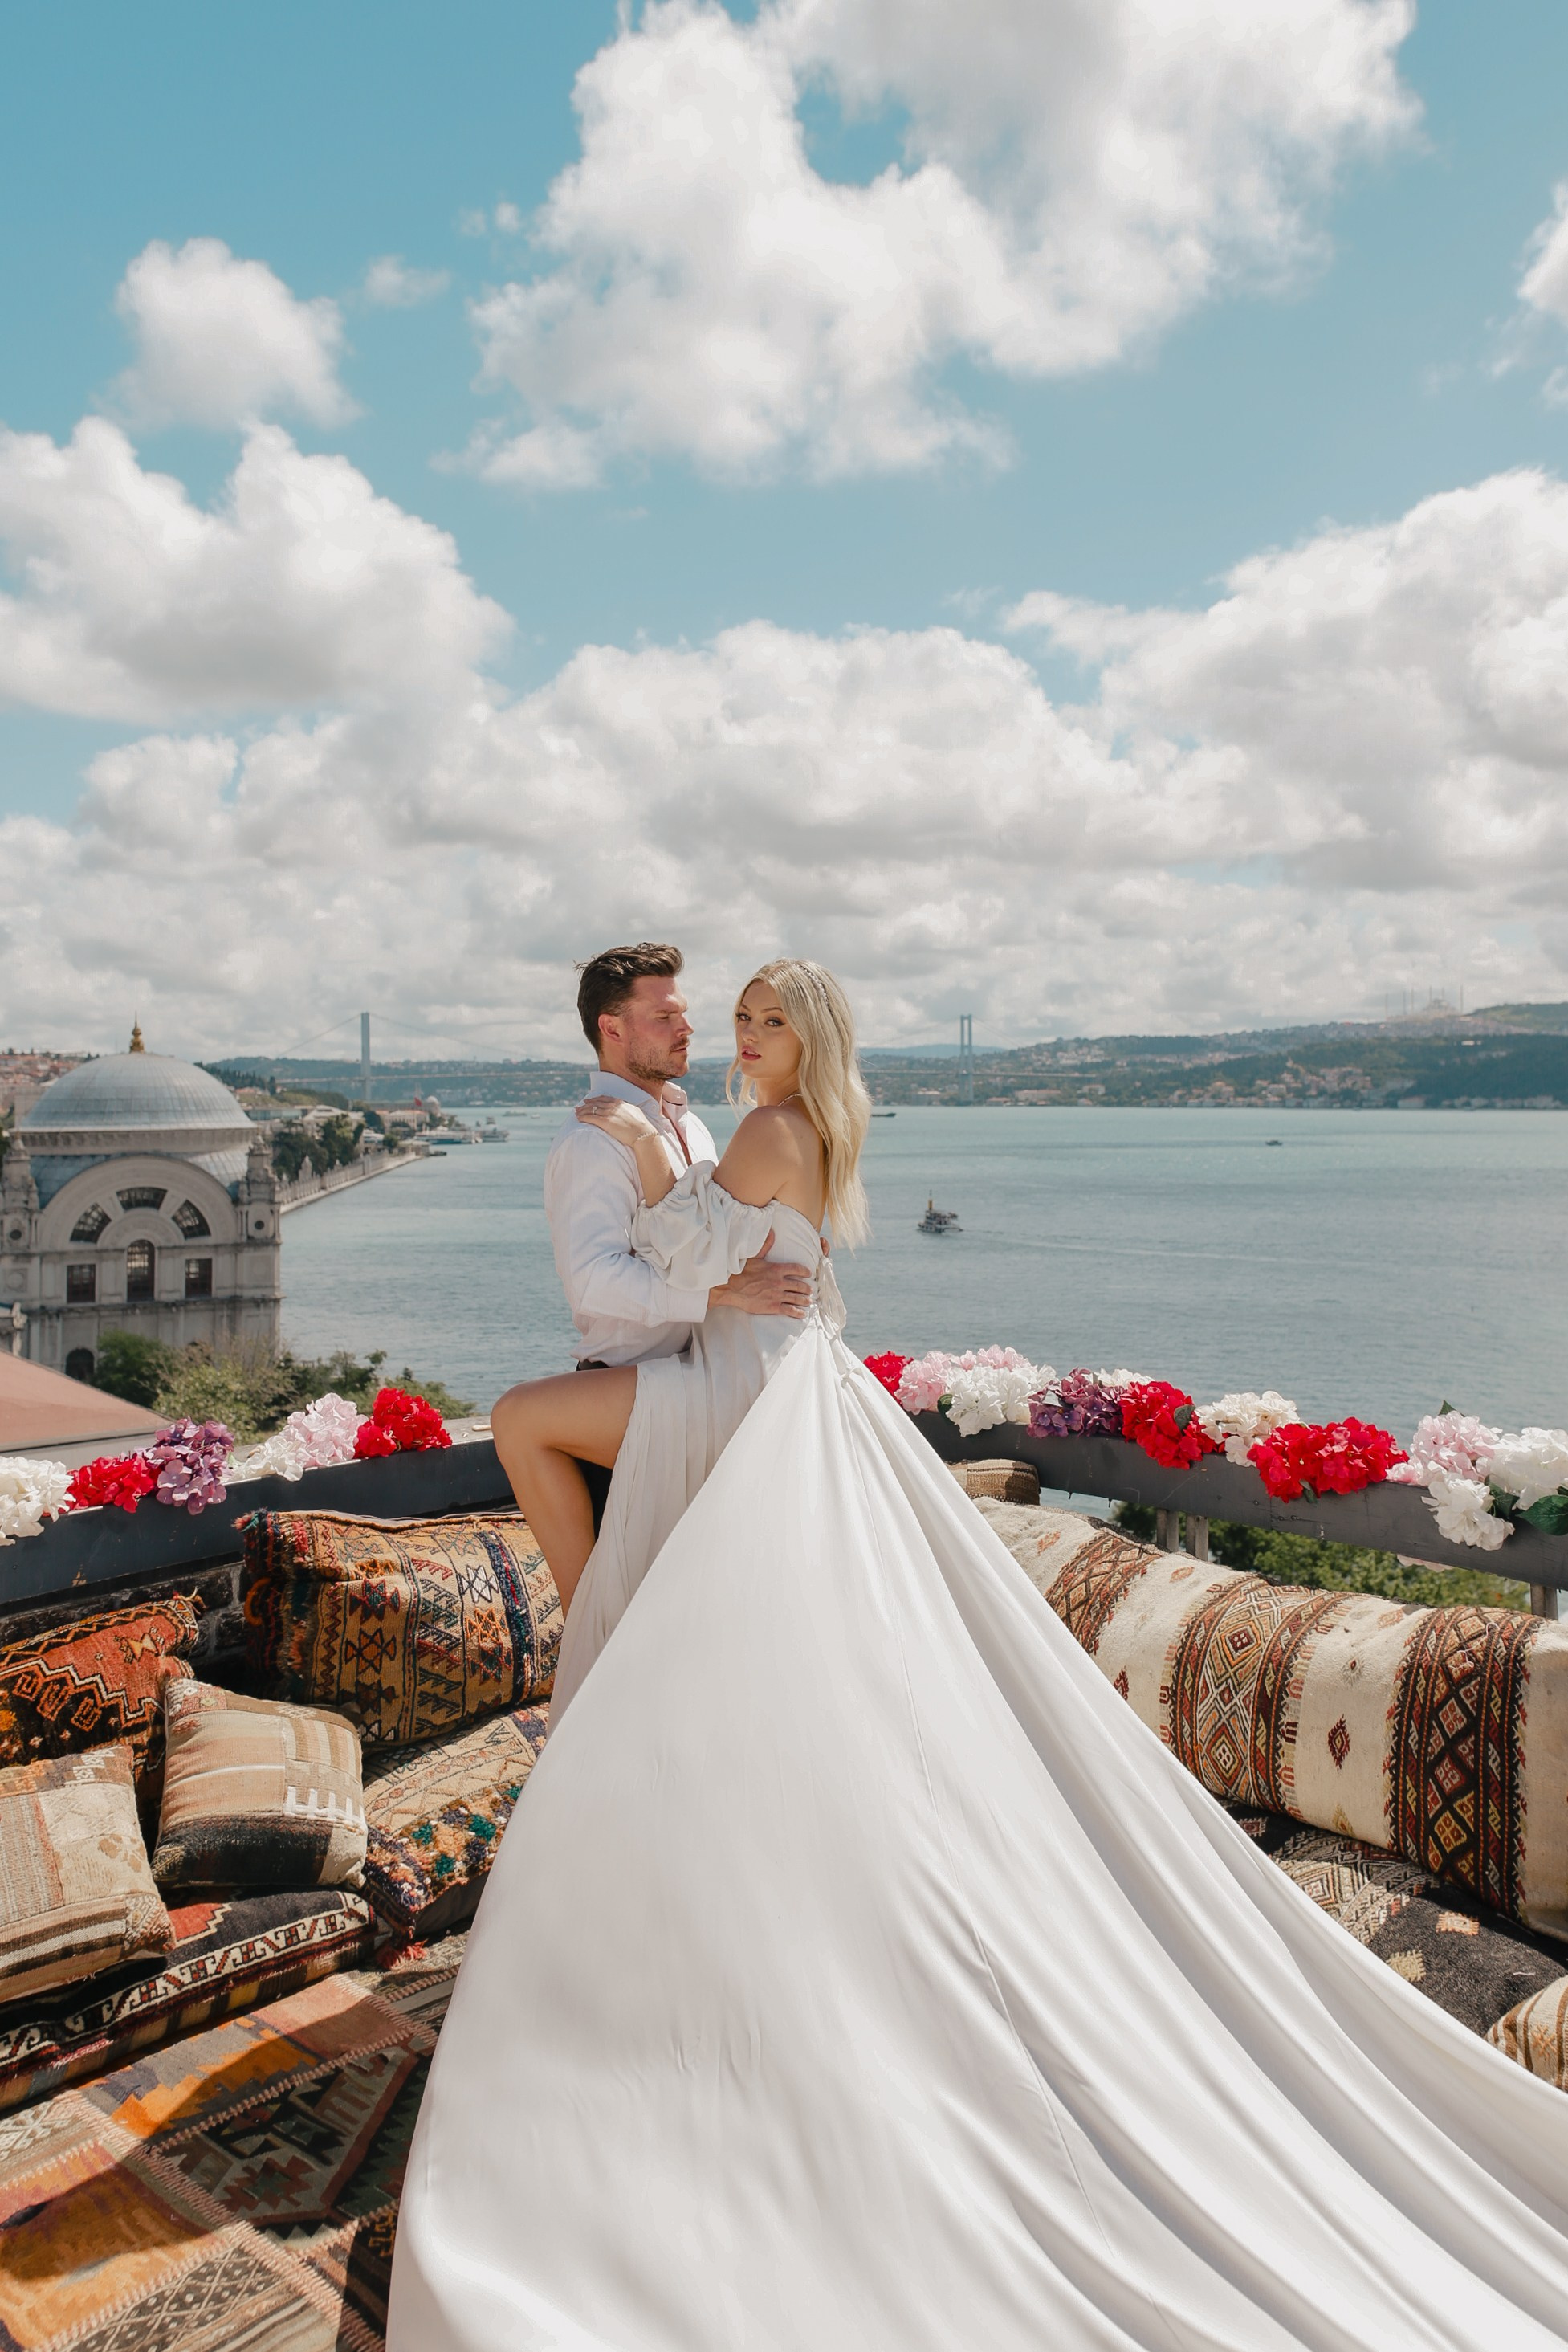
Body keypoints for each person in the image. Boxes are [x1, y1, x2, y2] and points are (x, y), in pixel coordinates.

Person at [389, 960, 1568, 2352]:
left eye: (759, 1019)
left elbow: (665, 1267)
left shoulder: (757, 1130)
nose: (728, 1033)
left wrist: (708, 1241)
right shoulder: (784, 1127)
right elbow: (736, 1269)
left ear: (801, 1038)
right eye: (723, 1014)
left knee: (722, 1663)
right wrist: (732, 1250)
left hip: (754, 1401)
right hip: (785, 1385)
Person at [542, 940, 814, 1570]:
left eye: (683, 1012)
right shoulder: (592, 1141)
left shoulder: (691, 1129)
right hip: (628, 1396)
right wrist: (719, 1294)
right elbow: (594, 1284)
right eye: (664, 1016)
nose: (687, 1027)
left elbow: (713, 1239)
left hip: (705, 1391)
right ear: (611, 1029)